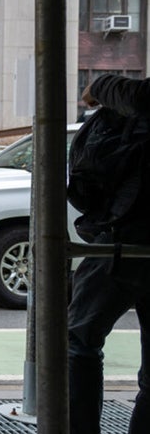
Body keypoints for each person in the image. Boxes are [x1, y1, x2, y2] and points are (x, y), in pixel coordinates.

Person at [68, 73, 150, 434]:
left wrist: (99, 84)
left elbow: (140, 95)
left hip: (126, 236)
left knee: (78, 342)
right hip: (128, 235)